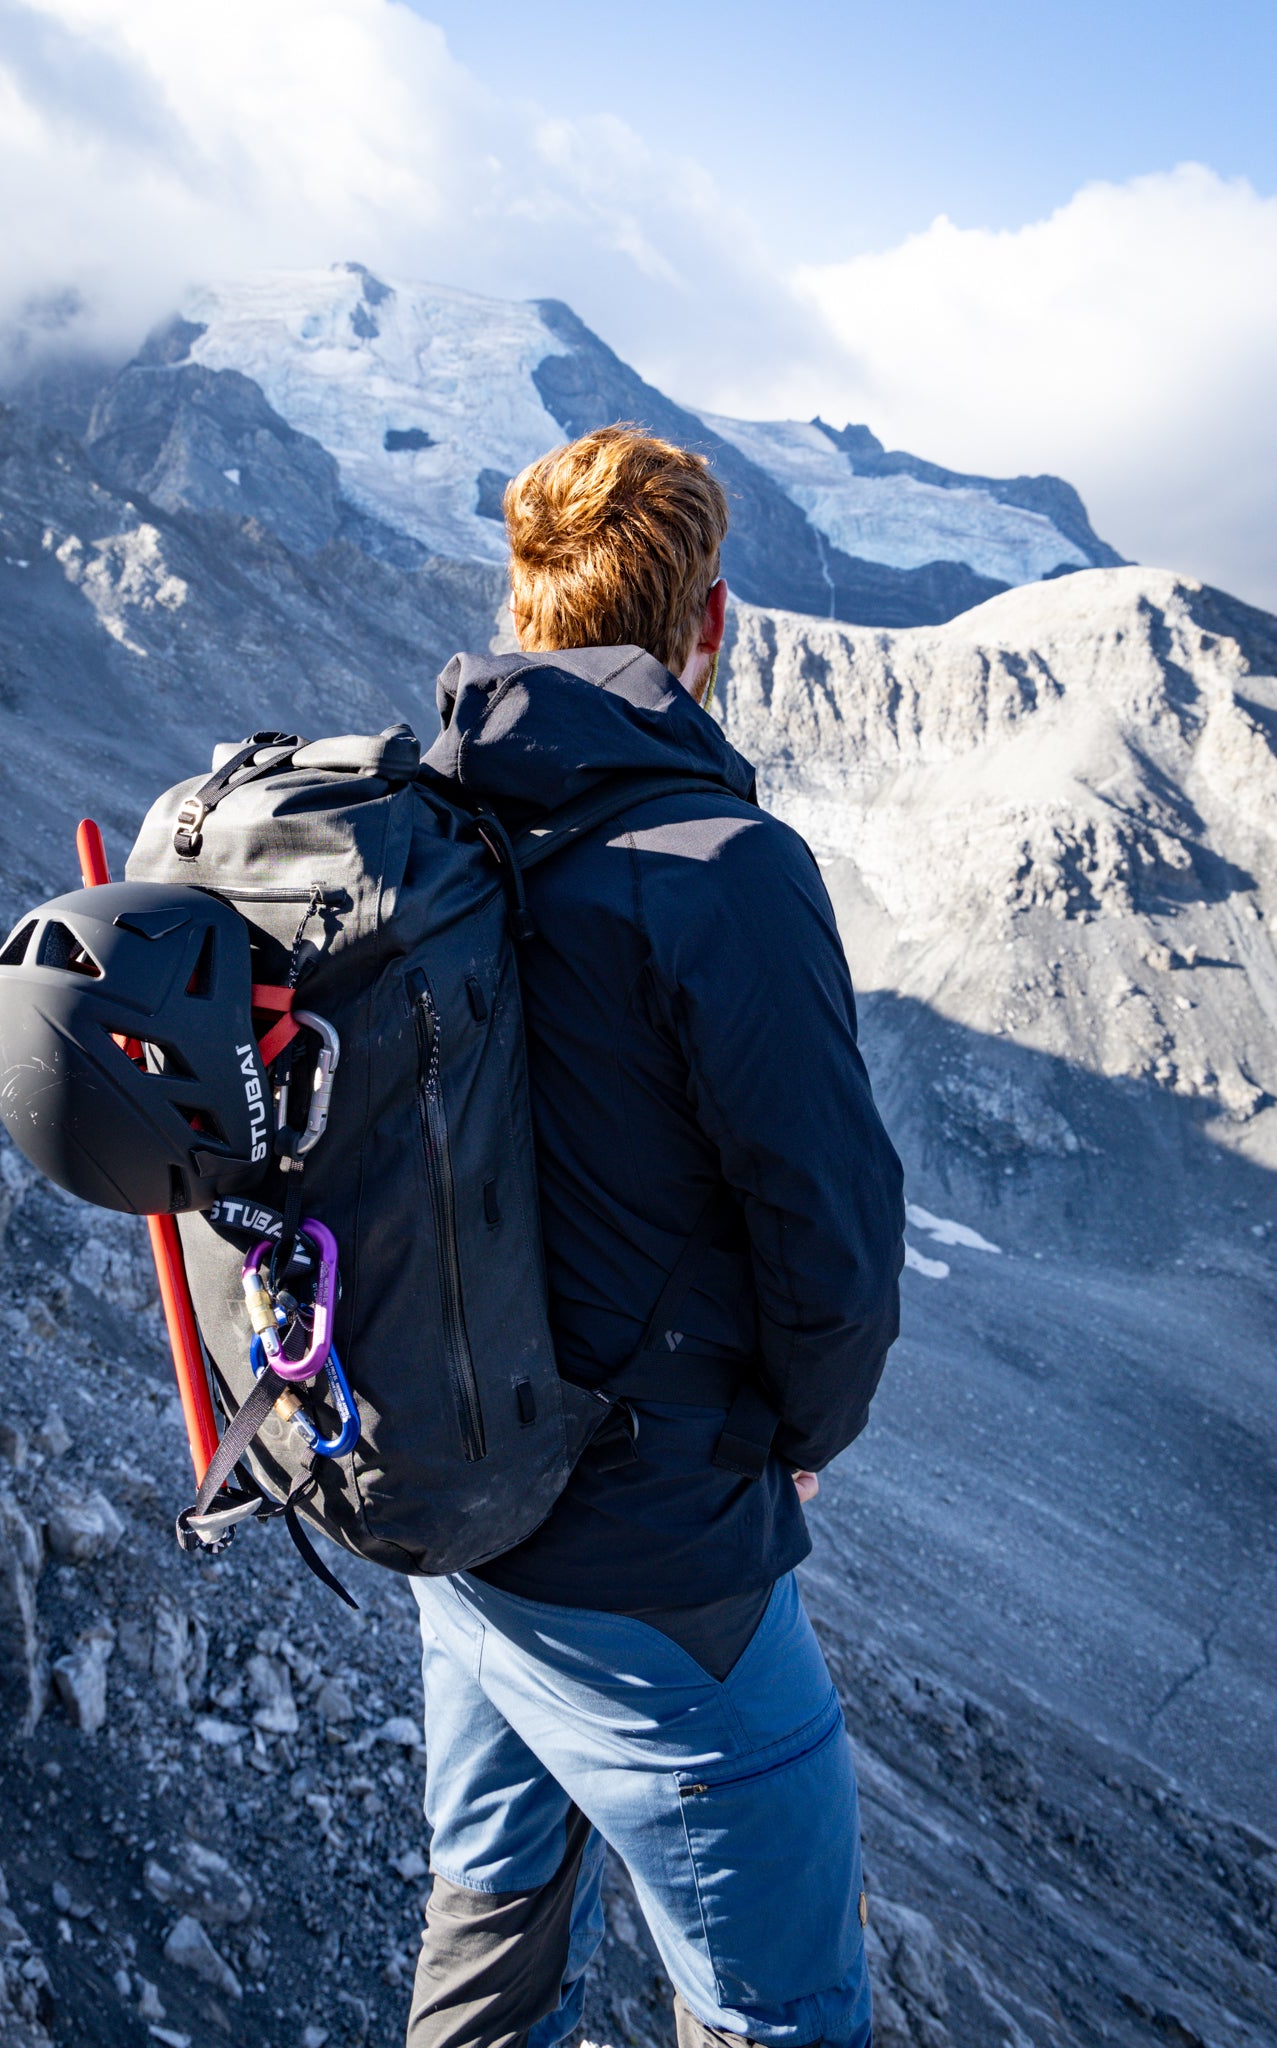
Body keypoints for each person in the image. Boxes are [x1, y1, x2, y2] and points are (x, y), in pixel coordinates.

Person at [407, 425, 906, 2048]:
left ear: (520, 604)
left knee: (489, 1948)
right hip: (651, 1561)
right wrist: (801, 1439)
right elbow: (828, 1230)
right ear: (709, 628)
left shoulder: (422, 831)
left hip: (463, 1511)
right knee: (782, 2010)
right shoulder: (723, 868)